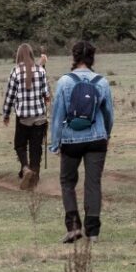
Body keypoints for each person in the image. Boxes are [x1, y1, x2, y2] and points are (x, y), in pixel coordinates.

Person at [48, 40, 114, 242]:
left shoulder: (64, 82)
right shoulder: (101, 82)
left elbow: (58, 115)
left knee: (67, 181)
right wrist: (106, 134)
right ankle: (92, 232)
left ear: (74, 57)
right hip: (97, 138)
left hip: (71, 139)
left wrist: (55, 143)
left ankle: (74, 227)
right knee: (93, 183)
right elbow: (109, 114)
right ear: (92, 57)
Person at [1, 42, 50, 190]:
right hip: (40, 117)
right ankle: (34, 181)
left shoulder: (15, 71)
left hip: (23, 118)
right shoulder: (41, 71)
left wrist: (6, 113)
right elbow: (46, 95)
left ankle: (25, 168)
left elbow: (10, 95)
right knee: (36, 148)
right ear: (31, 54)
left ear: (19, 56)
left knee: (20, 145)